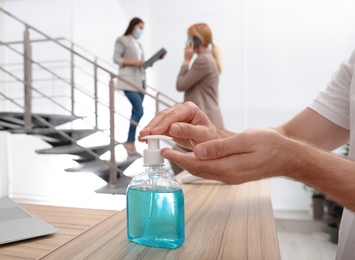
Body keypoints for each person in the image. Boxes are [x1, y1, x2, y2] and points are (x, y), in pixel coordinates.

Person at [139, 49, 355, 259]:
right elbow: (290, 136)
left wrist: (291, 160)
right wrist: (217, 136)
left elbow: (287, 146)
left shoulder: (203, 61)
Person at [176, 23, 224, 129]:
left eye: (189, 39)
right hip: (209, 119)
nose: (187, 43)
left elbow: (180, 85)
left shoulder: (203, 60)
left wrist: (186, 60)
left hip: (206, 120)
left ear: (197, 40)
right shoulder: (208, 57)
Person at [113, 17, 146, 156]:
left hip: (140, 82)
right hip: (128, 82)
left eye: (142, 29)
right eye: (139, 28)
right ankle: (129, 142)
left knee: (135, 113)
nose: (140, 31)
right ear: (132, 26)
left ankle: (130, 144)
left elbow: (141, 64)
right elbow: (116, 59)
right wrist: (134, 62)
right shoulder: (122, 40)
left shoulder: (138, 44)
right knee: (139, 111)